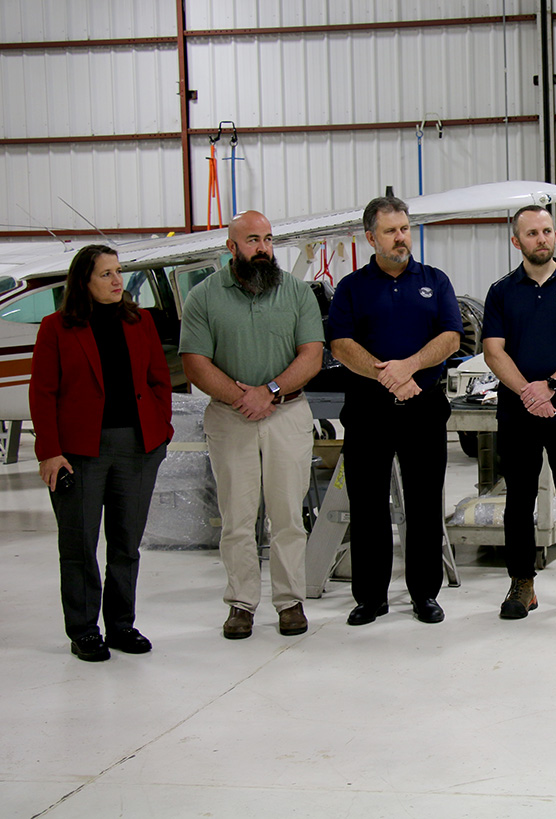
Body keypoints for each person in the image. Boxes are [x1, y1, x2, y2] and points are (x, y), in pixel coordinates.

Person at [180, 211, 324, 640]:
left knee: (287, 515)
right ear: (231, 248)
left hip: (288, 414)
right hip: (230, 418)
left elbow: (311, 355)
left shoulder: (297, 293)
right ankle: (241, 603)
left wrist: (272, 392)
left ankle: (290, 601)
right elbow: (195, 363)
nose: (262, 248)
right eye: (252, 240)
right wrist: (242, 397)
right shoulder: (204, 298)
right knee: (237, 518)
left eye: (267, 239)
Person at [30, 245, 173, 661]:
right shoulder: (56, 327)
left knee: (127, 544)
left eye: (118, 272)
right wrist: (50, 452)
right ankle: (83, 630)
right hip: (79, 451)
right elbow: (43, 393)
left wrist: (160, 433)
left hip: (138, 447)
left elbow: (159, 380)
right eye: (106, 274)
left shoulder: (140, 320)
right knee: (79, 544)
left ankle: (121, 625)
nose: (116, 281)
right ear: (83, 282)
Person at [328, 196, 462, 626]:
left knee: (424, 504)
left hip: (423, 409)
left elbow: (451, 337)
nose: (401, 237)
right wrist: (386, 375)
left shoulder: (435, 281)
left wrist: (409, 368)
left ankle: (424, 594)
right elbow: (341, 345)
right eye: (391, 230)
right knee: (367, 505)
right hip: (368, 412)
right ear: (371, 237)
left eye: (404, 228)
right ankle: (370, 598)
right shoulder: (352, 287)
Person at [482, 205, 556, 619]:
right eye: (531, 233)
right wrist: (527, 393)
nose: (542, 239)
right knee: (518, 500)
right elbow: (492, 351)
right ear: (516, 241)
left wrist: (549, 386)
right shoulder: (501, 291)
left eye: (547, 231)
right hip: (518, 415)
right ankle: (522, 583)